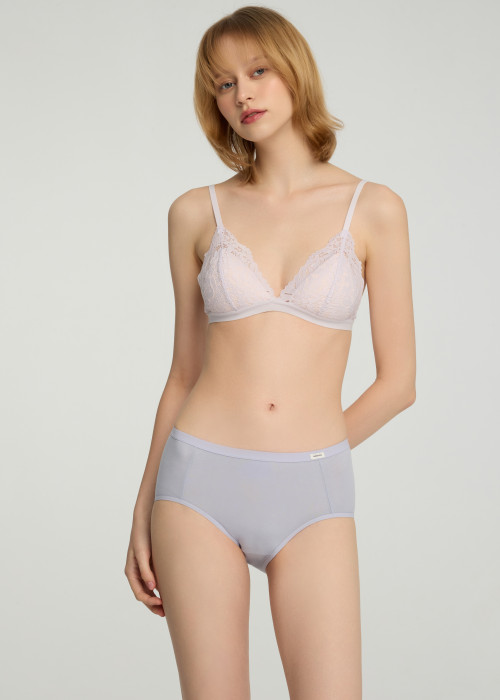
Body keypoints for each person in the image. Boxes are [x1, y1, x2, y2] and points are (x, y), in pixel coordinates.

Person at [125, 6, 416, 699]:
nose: (243, 94)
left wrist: (308, 451)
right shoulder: (195, 213)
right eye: (224, 84)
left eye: (258, 71)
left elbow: (399, 382)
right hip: (196, 484)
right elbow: (183, 374)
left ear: (295, 72)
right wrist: (141, 510)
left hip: (312, 490)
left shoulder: (374, 208)